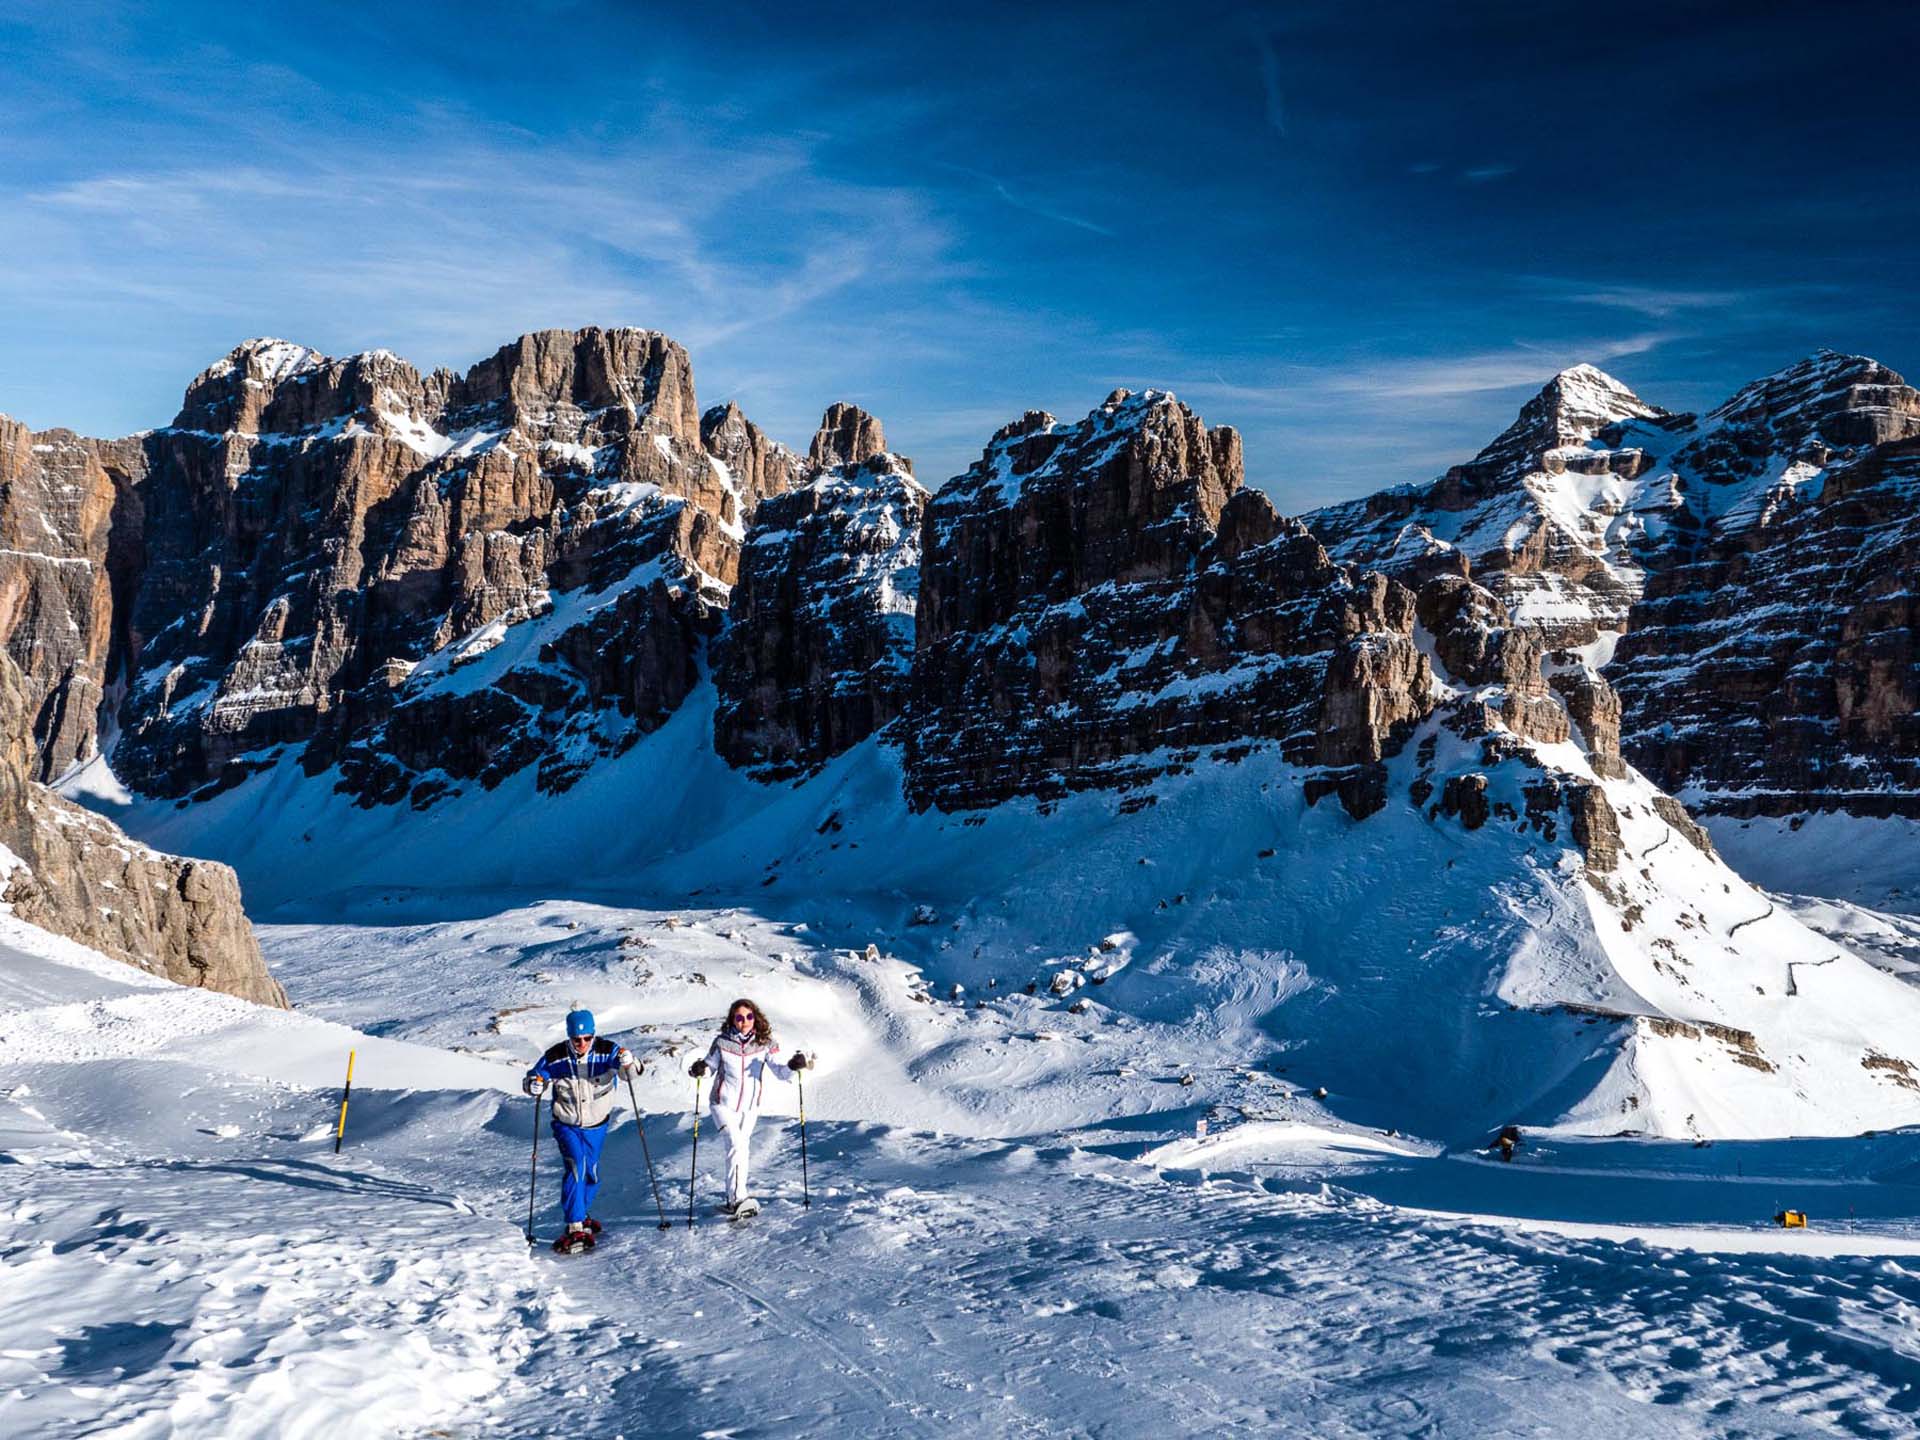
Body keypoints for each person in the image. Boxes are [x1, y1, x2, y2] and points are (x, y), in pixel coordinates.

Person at [524, 1008, 641, 1252]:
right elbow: (536, 1077)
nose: (582, 1044)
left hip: (597, 1125)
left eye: (587, 1038)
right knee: (576, 1166)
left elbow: (629, 1074)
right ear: (569, 1037)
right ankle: (574, 1225)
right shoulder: (556, 1057)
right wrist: (534, 1085)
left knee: (591, 1173)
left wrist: (630, 1062)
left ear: (593, 1035)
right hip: (567, 1124)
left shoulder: (607, 1051)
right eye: (577, 1039)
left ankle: (581, 1212)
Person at [688, 998, 809, 1215]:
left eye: (749, 1017)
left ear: (756, 1018)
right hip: (722, 1104)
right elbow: (709, 1067)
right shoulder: (722, 1043)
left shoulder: (765, 1044)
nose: (745, 1021)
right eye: (739, 1017)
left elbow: (781, 1073)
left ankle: (733, 1197)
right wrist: (699, 1069)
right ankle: (738, 1199)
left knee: (740, 1151)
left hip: (750, 1108)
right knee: (736, 1145)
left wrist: (793, 1066)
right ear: (732, 1020)